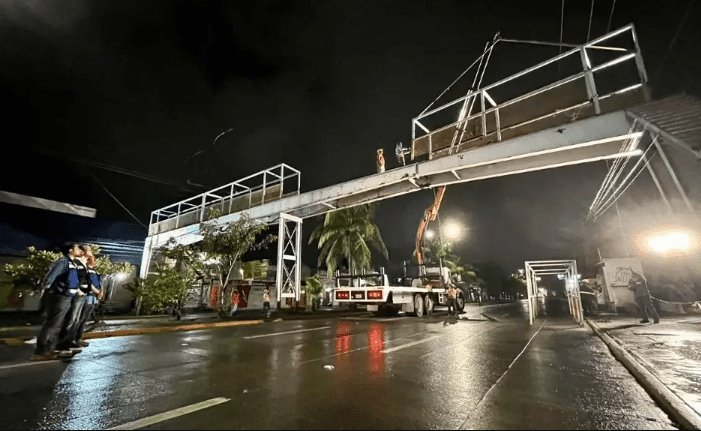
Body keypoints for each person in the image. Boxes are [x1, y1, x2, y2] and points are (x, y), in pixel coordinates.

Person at [31, 243, 84, 361]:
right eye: (77, 248)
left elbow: (71, 281)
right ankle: (40, 351)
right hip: (60, 297)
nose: (79, 250)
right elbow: (51, 277)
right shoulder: (63, 262)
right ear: (70, 250)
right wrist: (45, 290)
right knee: (52, 324)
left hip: (67, 297)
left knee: (56, 324)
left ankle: (48, 349)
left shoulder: (72, 264)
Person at [56, 245, 91, 352]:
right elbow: (73, 278)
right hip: (76, 294)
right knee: (71, 319)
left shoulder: (84, 264)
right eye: (89, 250)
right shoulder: (75, 262)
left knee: (76, 319)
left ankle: (70, 341)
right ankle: (62, 343)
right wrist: (78, 290)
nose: (91, 252)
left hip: (82, 295)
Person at [73, 250, 103, 347]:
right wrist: (97, 292)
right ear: (89, 261)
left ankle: (79, 338)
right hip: (88, 296)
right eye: (93, 259)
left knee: (85, 319)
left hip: (94, 297)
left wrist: (100, 292)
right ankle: (75, 339)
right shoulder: (87, 271)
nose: (95, 261)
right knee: (81, 318)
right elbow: (89, 284)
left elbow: (99, 283)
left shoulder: (96, 271)